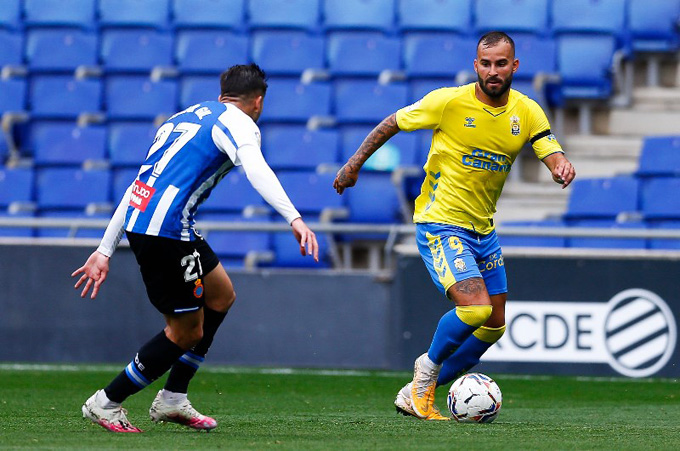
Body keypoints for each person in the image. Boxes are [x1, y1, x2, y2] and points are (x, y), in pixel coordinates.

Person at [333, 31, 575, 420]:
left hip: (483, 229)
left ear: (515, 66)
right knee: (476, 310)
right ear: (475, 64)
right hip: (441, 223)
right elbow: (391, 123)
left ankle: (414, 393)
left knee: (494, 324)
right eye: (486, 63)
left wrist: (559, 163)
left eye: (501, 64)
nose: (492, 71)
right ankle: (425, 374)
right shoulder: (448, 102)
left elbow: (545, 143)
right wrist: (353, 165)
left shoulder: (527, 110)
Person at [72, 64, 319, 433]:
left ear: (223, 92)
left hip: (164, 225)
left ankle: (173, 398)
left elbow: (139, 186)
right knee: (186, 332)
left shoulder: (183, 117)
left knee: (221, 295)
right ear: (258, 101)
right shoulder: (240, 123)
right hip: (165, 233)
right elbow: (256, 169)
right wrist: (295, 219)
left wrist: (106, 248)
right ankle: (106, 402)